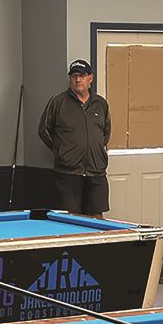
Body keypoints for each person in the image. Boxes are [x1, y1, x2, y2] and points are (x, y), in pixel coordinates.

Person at [38, 59, 111, 218]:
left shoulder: (100, 103)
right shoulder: (58, 102)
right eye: (74, 76)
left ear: (90, 78)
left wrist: (94, 149)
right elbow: (44, 131)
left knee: (97, 219)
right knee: (70, 218)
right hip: (68, 173)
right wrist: (61, 151)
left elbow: (105, 133)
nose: (78, 80)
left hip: (96, 172)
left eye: (82, 76)